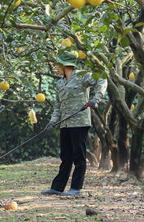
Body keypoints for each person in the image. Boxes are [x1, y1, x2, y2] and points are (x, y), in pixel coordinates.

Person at [41, 51, 106, 197]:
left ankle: (76, 188)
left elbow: (102, 78)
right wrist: (52, 121)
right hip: (65, 124)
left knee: (78, 156)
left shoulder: (83, 76)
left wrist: (97, 98)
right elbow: (58, 106)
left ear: (65, 65)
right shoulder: (60, 83)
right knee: (66, 156)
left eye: (57, 64)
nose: (56, 67)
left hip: (80, 122)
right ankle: (57, 187)